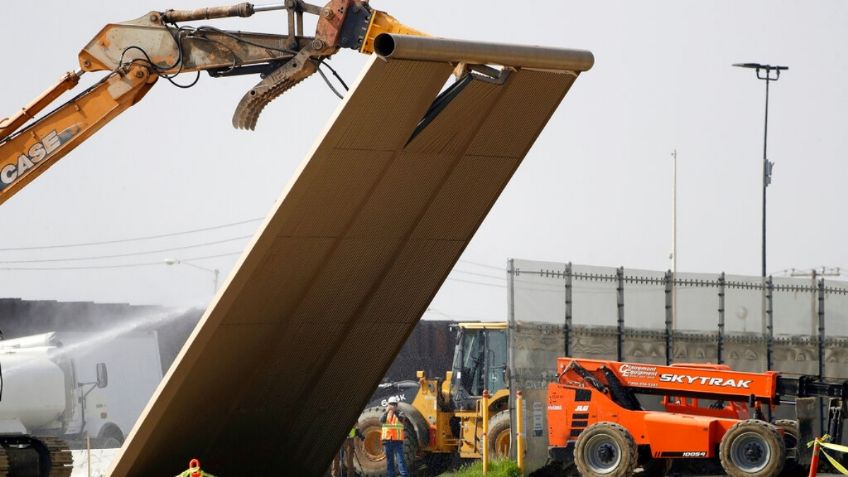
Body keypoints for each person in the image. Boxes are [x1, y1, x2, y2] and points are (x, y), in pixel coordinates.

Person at [380, 396, 409, 477]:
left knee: (401, 461)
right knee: (389, 462)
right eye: (391, 404)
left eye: (394, 404)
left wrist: (394, 411)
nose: (392, 406)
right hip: (387, 441)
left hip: (397, 442)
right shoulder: (385, 414)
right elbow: (381, 420)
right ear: (388, 404)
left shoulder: (400, 413)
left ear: (397, 405)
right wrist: (387, 412)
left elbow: (402, 419)